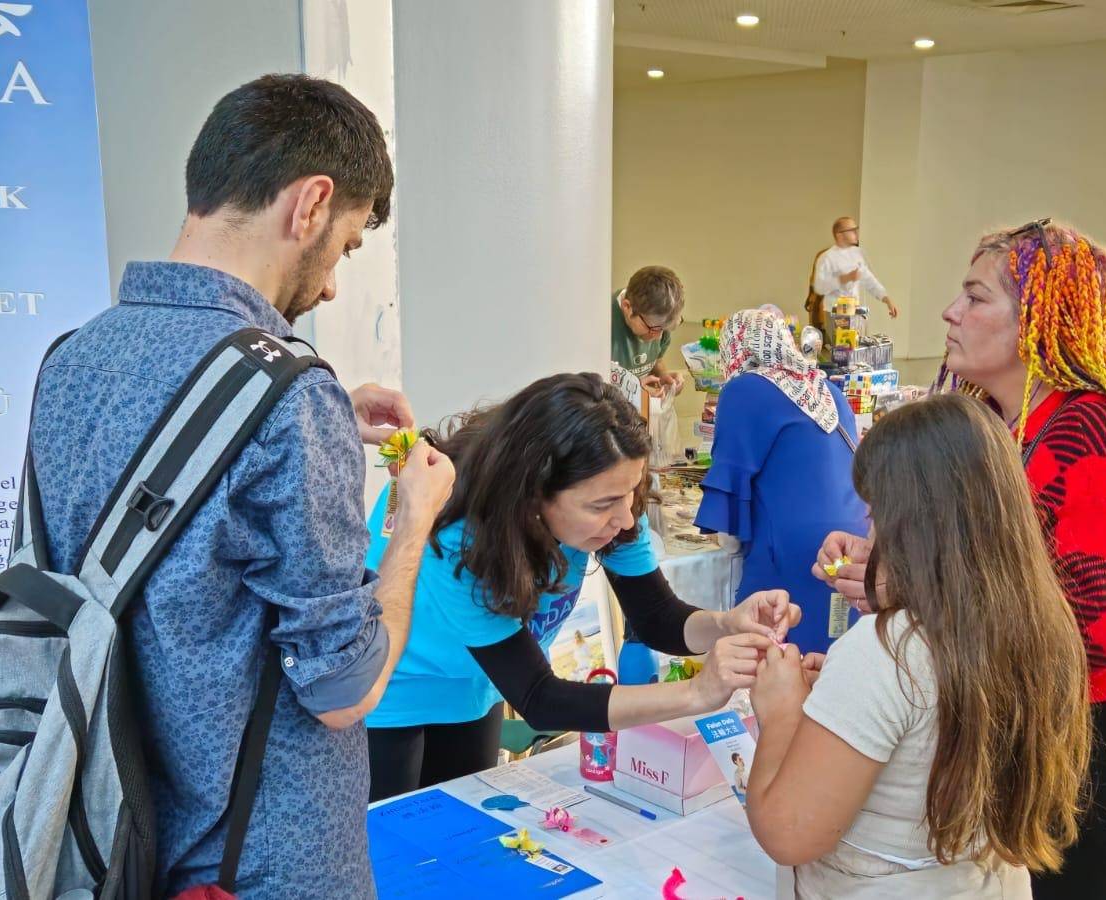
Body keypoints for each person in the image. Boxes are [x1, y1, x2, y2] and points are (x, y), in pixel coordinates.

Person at [28, 76, 455, 897]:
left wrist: (315, 420)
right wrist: (410, 532)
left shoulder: (73, 356)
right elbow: (344, 688)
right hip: (258, 858)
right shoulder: (289, 391)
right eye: (348, 244)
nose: (332, 283)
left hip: (99, 828)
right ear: (311, 203)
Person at [816, 219, 1106, 900]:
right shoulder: (988, 417)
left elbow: (1096, 631)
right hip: (1025, 722)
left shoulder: (1093, 432)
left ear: (1039, 321)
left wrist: (911, 592)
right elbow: (968, 554)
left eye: (976, 297)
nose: (949, 312)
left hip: (1100, 737)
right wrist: (880, 554)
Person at [363, 373, 796, 801]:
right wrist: (696, 693)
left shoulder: (616, 497)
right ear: (532, 496)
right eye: (602, 505)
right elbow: (539, 697)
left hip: (478, 685)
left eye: (629, 494)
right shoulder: (461, 531)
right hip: (393, 686)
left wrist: (725, 623)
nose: (625, 518)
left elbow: (657, 618)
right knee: (388, 839)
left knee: (459, 829)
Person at [747, 394, 1091, 898]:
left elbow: (787, 834)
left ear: (914, 520)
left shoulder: (886, 651)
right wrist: (845, 705)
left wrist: (781, 713)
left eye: (876, 509)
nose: (866, 521)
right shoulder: (1041, 621)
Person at [694, 308, 868, 654]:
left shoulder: (744, 390)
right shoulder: (825, 387)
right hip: (851, 540)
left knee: (771, 645)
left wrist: (727, 536)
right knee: (832, 647)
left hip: (788, 544)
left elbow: (731, 470)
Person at [612, 265, 687, 396]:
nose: (658, 337)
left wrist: (663, 376)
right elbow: (589, 389)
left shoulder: (659, 321)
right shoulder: (602, 326)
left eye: (664, 329)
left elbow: (656, 360)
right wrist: (633, 392)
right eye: (653, 329)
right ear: (627, 308)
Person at [812, 217, 898, 319]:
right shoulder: (827, 257)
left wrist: (887, 300)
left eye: (856, 229)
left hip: (854, 315)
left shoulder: (857, 254)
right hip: (834, 316)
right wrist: (844, 278)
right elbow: (819, 287)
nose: (856, 233)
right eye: (852, 231)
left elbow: (870, 281)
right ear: (839, 235)